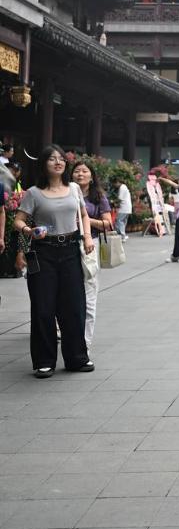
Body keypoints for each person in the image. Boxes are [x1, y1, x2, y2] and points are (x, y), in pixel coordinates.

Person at [13, 145, 94, 378]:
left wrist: (87, 236)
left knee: (74, 306)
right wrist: (29, 231)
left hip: (70, 249)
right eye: (52, 159)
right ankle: (44, 361)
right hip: (43, 252)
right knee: (43, 307)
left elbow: (84, 215)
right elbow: (18, 221)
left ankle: (77, 358)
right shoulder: (33, 193)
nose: (58, 162)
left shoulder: (74, 189)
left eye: (61, 159)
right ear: (43, 164)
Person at [71, 161, 112, 352]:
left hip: (90, 245)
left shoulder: (98, 197)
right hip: (66, 246)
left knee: (89, 294)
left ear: (91, 176)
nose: (80, 174)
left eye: (84, 171)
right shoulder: (65, 193)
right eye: (77, 171)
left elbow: (107, 224)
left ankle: (84, 344)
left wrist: (85, 220)